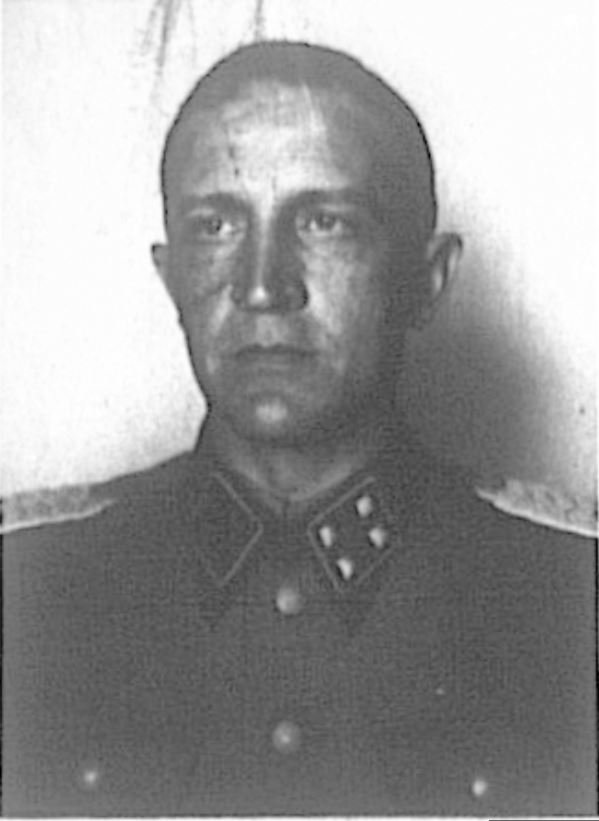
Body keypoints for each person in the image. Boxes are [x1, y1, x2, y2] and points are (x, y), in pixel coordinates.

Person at [2, 41, 596, 816]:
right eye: (216, 224)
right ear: (171, 276)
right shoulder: (26, 585)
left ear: (426, 280)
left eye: (324, 222)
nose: (262, 286)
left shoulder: (569, 592)